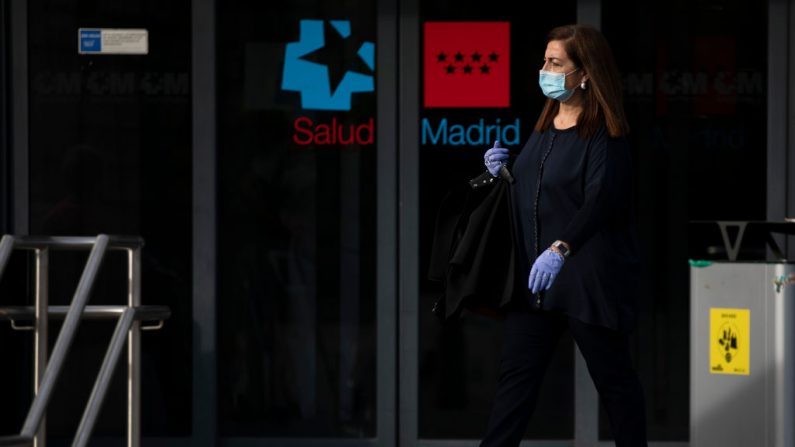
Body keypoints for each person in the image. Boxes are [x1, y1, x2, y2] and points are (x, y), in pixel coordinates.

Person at [479, 24, 648, 446]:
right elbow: (539, 189)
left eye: (556, 63)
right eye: (545, 61)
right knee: (514, 386)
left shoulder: (605, 136)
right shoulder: (545, 126)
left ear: (585, 73)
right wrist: (503, 170)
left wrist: (561, 248)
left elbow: (600, 201)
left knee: (616, 386)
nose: (545, 70)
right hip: (537, 285)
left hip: (585, 280)